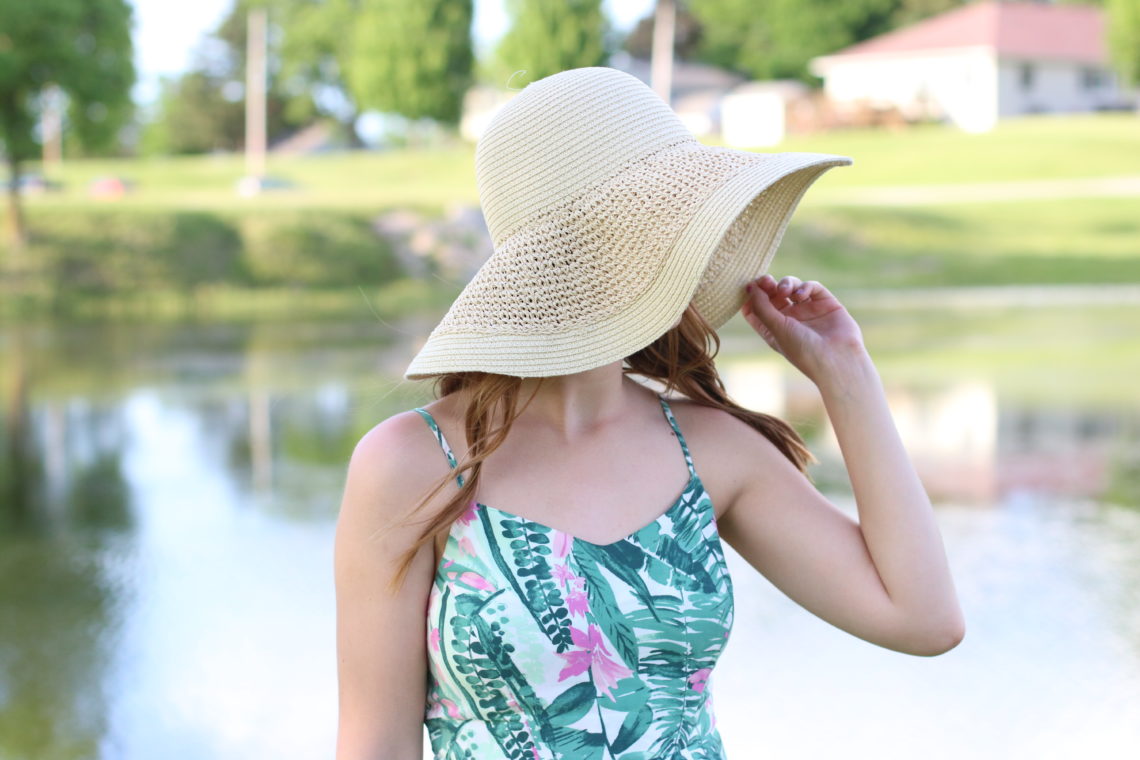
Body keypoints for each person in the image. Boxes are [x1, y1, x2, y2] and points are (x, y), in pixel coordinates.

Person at [333, 68, 964, 760]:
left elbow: (923, 620)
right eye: (670, 220)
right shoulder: (412, 465)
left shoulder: (711, 451)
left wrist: (848, 379)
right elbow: (375, 745)